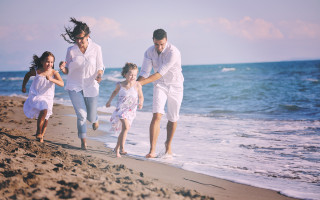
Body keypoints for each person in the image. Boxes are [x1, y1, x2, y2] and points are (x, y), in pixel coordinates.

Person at [137, 29, 184, 158]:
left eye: (162, 44)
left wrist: (139, 84)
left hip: (176, 86)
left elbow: (159, 73)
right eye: (157, 44)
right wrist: (135, 85)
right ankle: (152, 150)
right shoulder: (149, 52)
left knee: (173, 118)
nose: (159, 47)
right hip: (160, 85)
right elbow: (144, 73)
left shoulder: (173, 52)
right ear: (153, 40)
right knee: (157, 115)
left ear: (166, 40)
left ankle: (168, 146)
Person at [59, 17, 105, 150]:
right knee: (81, 115)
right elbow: (67, 70)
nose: (79, 42)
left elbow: (100, 66)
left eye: (81, 38)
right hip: (74, 86)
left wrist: (99, 75)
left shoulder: (96, 48)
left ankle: (95, 119)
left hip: (91, 86)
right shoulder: (71, 50)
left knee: (90, 117)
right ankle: (83, 142)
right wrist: (63, 69)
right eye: (76, 39)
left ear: (88, 36)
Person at [22, 51, 64, 142]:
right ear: (42, 62)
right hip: (36, 95)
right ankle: (38, 132)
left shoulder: (54, 73)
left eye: (52, 62)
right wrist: (23, 86)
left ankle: (41, 136)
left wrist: (52, 79)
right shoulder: (37, 71)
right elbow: (27, 75)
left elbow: (62, 83)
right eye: (47, 61)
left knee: (46, 117)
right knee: (44, 109)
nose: (49, 64)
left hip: (48, 97)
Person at [106, 63, 144, 157]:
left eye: (135, 75)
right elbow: (114, 92)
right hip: (121, 110)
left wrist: (141, 103)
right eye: (130, 74)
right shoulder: (120, 85)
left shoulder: (137, 85)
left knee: (124, 129)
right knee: (126, 128)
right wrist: (109, 101)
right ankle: (122, 148)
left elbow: (141, 96)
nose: (133, 77)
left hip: (131, 111)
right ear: (125, 74)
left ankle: (116, 148)